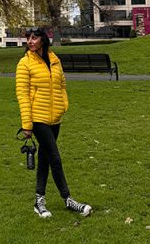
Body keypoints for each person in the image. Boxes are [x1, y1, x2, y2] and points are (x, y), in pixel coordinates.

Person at [15, 27, 92, 218]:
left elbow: (62, 84)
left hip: (55, 117)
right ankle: (68, 199)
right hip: (38, 118)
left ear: (43, 39)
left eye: (34, 38)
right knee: (55, 158)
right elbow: (22, 95)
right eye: (28, 38)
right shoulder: (25, 64)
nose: (30, 42)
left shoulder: (54, 60)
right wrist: (27, 124)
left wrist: (63, 104)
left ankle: (39, 200)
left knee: (45, 158)